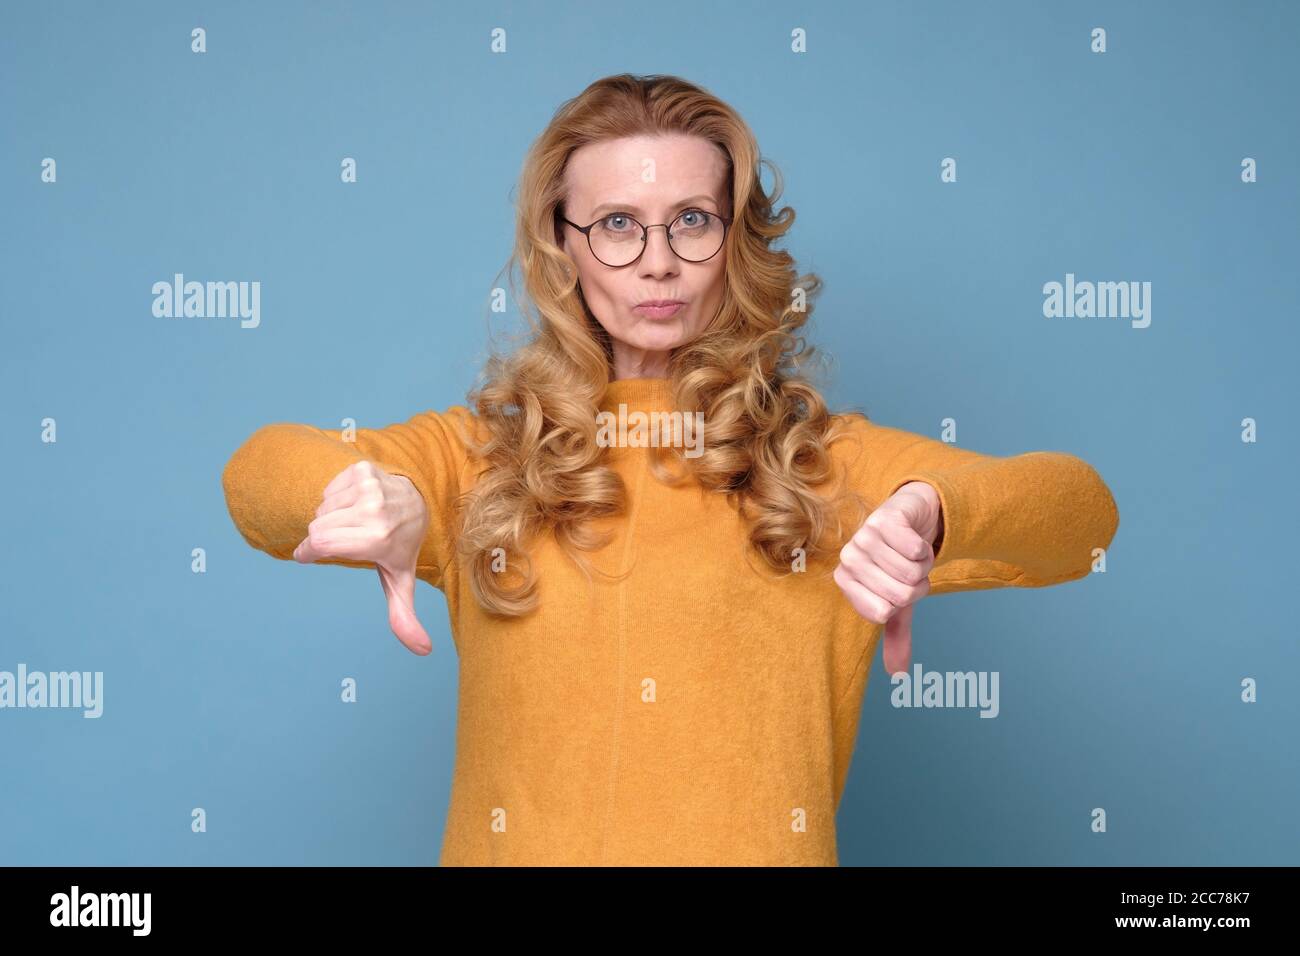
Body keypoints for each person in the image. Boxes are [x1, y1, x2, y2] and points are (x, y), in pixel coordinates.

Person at [221, 73, 1119, 866]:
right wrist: (381, 495)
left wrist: (935, 508)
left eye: (691, 220)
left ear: (737, 239)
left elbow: (1082, 516)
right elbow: (258, 475)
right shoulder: (481, 459)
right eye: (617, 224)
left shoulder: (827, 467)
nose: (658, 261)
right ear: (561, 243)